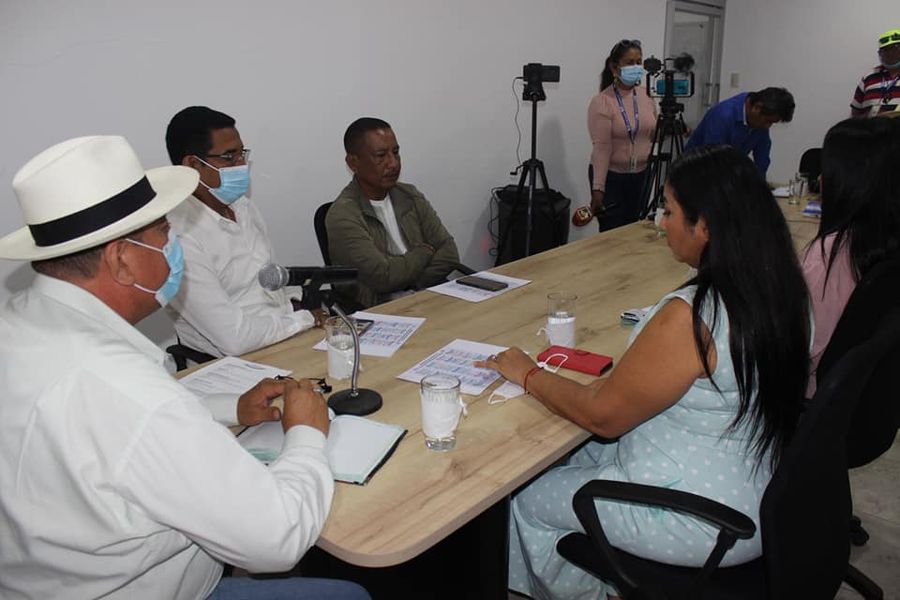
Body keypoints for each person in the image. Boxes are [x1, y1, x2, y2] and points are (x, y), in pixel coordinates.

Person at [0, 136, 369, 600]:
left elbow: (111, 433)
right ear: (121, 260)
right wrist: (307, 433)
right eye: (164, 232)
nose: (174, 244)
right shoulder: (127, 391)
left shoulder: (19, 322)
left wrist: (229, 408)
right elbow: (278, 540)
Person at [478, 146, 810, 599]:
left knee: (528, 498)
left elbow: (603, 417)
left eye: (669, 211)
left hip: (701, 518)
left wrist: (528, 374)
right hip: (757, 488)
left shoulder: (693, 317)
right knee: (566, 458)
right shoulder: (780, 289)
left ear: (705, 226)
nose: (660, 222)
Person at [165, 106, 324, 358]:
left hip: (286, 335)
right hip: (233, 362)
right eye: (229, 157)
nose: (242, 165)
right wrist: (304, 319)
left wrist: (297, 302)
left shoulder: (242, 206)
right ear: (193, 165)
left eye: (242, 154)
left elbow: (266, 281)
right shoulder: (178, 237)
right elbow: (234, 339)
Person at [802, 117, 900, 396]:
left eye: (827, 170)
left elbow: (800, 345)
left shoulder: (828, 258)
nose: (820, 180)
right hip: (865, 394)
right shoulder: (882, 241)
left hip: (814, 392)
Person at [326, 117, 461, 308]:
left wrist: (412, 285)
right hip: (382, 310)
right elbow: (384, 277)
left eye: (396, 152)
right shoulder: (343, 215)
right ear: (353, 163)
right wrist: (423, 253)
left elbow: (449, 252)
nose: (393, 164)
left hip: (427, 295)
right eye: (381, 156)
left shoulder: (409, 195)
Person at [586, 39, 658, 231]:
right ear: (614, 67)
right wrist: (598, 188)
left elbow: (652, 134)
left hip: (641, 175)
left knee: (634, 231)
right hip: (612, 178)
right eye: (629, 62)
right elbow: (602, 147)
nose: (636, 67)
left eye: (639, 62)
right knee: (612, 234)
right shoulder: (602, 101)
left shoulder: (646, 96)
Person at [685, 87, 795, 177]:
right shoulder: (723, 116)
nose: (768, 126)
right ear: (756, 108)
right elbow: (715, 161)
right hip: (696, 173)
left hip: (725, 173)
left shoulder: (760, 120)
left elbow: (762, 160)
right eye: (768, 121)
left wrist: (759, 187)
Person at [851, 28, 900, 118]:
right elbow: (855, 112)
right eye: (885, 50)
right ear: (880, 53)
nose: (890, 53)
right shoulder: (869, 77)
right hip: (872, 127)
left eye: (895, 48)